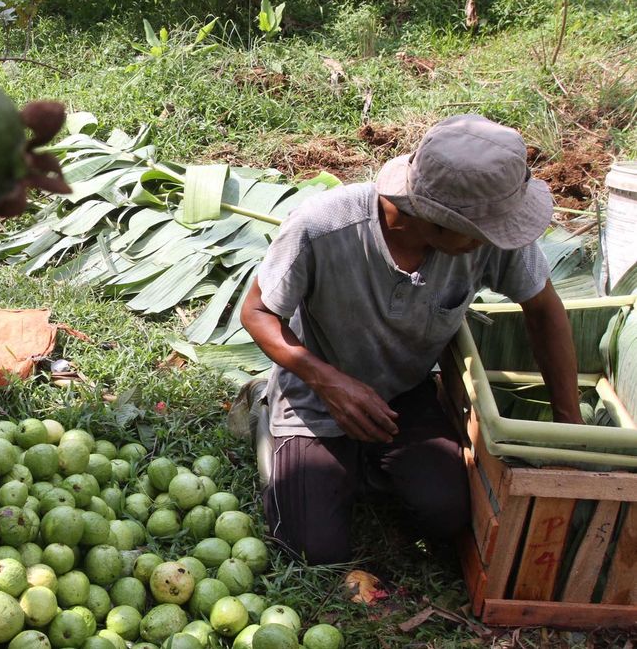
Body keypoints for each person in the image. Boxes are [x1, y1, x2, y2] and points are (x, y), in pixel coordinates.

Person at [239, 114, 583, 565]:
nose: (494, 241)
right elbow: (257, 311)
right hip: (315, 394)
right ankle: (269, 417)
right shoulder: (322, 226)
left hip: (403, 391)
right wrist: (326, 380)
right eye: (481, 235)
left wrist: (569, 427)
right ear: (436, 220)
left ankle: (358, 464)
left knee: (446, 514)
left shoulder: (489, 233)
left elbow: (543, 311)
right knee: (311, 549)